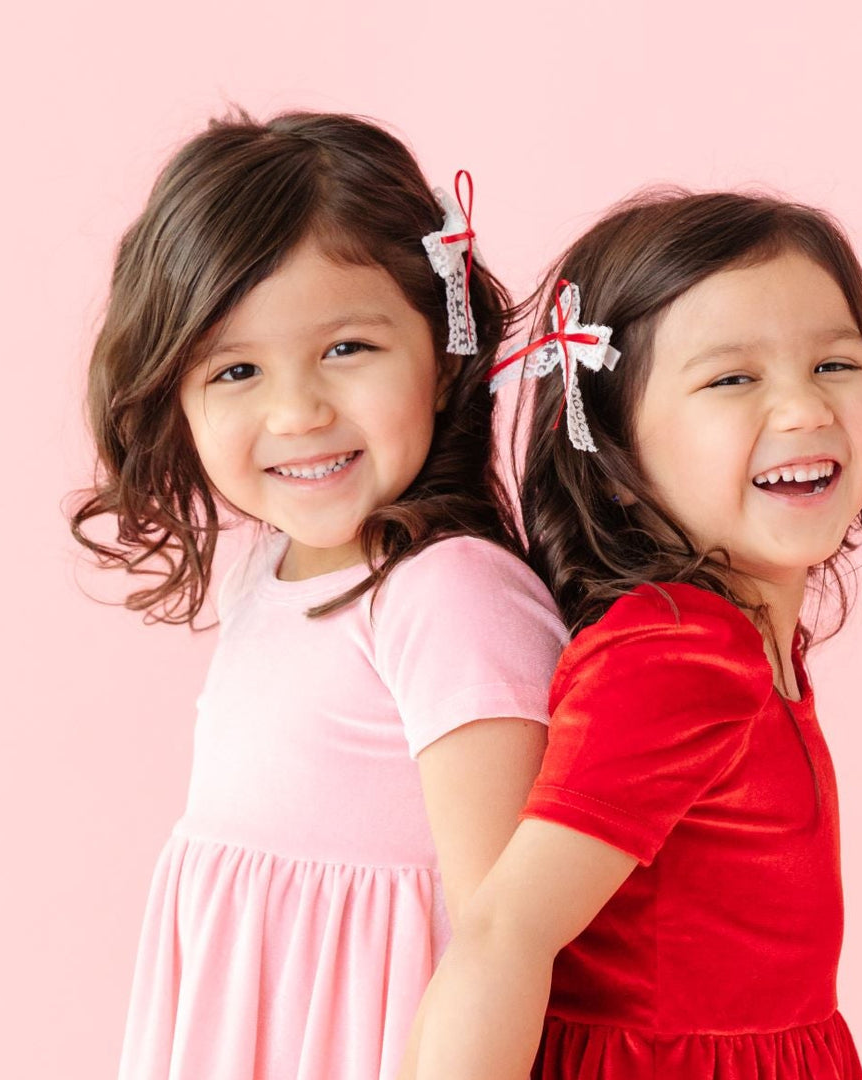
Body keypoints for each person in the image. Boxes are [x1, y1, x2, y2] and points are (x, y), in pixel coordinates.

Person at [69, 110, 566, 1080]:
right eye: (237, 370)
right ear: (178, 396)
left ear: (444, 353)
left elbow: (502, 938)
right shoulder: (268, 566)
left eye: (348, 349)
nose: (296, 411)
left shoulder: (448, 598)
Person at [408, 191, 862, 1079]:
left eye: (835, 364)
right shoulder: (675, 653)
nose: (805, 409)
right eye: (733, 378)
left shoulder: (741, 643)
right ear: (613, 456)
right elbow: (504, 932)